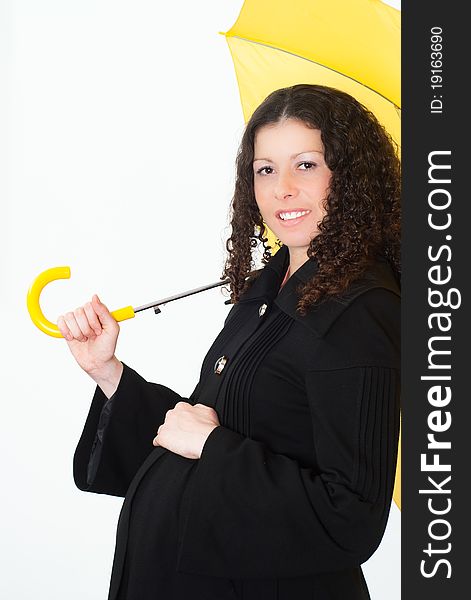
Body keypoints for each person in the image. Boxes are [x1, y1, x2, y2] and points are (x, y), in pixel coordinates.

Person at [58, 84, 401, 600]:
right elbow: (211, 423)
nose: (281, 188)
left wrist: (215, 448)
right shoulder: (270, 290)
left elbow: (349, 515)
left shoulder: (361, 310)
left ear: (349, 178)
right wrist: (110, 374)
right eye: (266, 169)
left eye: (305, 165)